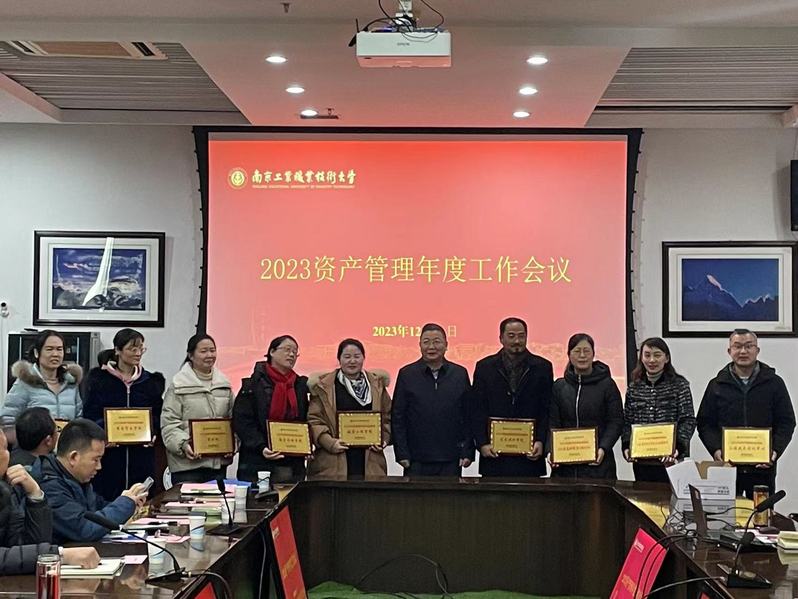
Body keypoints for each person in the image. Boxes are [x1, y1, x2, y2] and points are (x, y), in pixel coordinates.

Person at [697, 329, 796, 497]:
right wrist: (716, 450)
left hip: (762, 469)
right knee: (727, 512)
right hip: (728, 468)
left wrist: (774, 452)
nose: (743, 351)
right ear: (729, 351)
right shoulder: (717, 385)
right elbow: (705, 423)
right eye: (737, 346)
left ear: (757, 350)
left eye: (749, 346)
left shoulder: (774, 383)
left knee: (761, 512)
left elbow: (786, 422)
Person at [0, 429, 100, 574]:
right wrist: (58, 554)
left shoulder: (5, 491)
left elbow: (28, 544)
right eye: (5, 448)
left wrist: (35, 495)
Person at [31, 419, 146, 544]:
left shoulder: (74, 478)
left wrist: (130, 503)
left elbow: (98, 507)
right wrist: (124, 504)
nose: (99, 467)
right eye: (96, 460)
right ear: (74, 457)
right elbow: (84, 529)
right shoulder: (49, 486)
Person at [83, 329, 165, 500]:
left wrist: (152, 431)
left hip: (141, 456)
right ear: (118, 350)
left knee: (142, 499)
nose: (138, 353)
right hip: (109, 456)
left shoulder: (150, 382)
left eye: (141, 349)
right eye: (132, 349)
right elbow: (89, 415)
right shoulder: (99, 380)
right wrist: (104, 433)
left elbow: (158, 414)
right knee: (107, 501)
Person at [470, 318, 552, 477]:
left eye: (521, 336)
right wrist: (482, 443)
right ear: (501, 338)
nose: (517, 341)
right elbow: (477, 409)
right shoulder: (485, 367)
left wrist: (541, 440)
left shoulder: (542, 367)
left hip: (530, 454)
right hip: (493, 454)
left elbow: (546, 409)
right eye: (511, 336)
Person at [391, 324, 473, 476]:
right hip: (416, 458)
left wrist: (468, 451)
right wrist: (401, 453)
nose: (431, 347)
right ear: (419, 345)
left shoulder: (459, 374)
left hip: (451, 456)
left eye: (436, 342)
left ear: (446, 345)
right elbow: (398, 416)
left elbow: (468, 414)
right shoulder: (407, 374)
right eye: (426, 342)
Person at [307, 339, 392, 478]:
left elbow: (387, 417)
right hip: (333, 461)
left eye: (357, 356)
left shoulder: (377, 386)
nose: (352, 361)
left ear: (363, 358)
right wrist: (329, 443)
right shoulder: (323, 387)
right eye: (347, 357)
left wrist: (383, 439)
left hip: (370, 461)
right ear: (339, 359)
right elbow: (314, 420)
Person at [233, 335, 309, 484]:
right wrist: (261, 446)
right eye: (287, 350)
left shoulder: (300, 385)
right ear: (272, 352)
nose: (292, 355)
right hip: (257, 460)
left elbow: (306, 419)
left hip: (291, 463)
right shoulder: (252, 385)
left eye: (295, 352)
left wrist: (306, 445)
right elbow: (243, 421)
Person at [161, 333, 235, 484]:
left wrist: (233, 444)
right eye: (203, 351)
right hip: (186, 466)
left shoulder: (224, 385)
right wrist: (183, 444)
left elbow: (235, 421)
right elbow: (169, 424)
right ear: (191, 355)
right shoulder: (179, 386)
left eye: (212, 350)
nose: (209, 355)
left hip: (217, 465)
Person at [549, 333, 623, 480]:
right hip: (565, 468)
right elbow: (553, 421)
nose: (582, 356)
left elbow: (616, 421)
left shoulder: (607, 385)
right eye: (577, 351)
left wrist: (603, 448)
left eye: (587, 351)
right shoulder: (559, 386)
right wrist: (551, 450)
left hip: (599, 465)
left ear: (593, 354)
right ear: (569, 355)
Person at [622, 337, 696, 483]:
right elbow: (627, 421)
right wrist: (626, 446)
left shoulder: (679, 386)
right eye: (647, 355)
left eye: (657, 355)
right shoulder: (634, 387)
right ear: (641, 358)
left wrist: (677, 447)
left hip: (672, 460)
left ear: (666, 358)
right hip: (642, 461)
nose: (652, 360)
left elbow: (688, 420)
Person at [2, 330, 82, 422]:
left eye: (59, 349)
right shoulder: (24, 383)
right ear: (37, 353)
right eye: (49, 349)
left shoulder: (71, 383)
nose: (55, 354)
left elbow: (79, 419)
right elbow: (7, 418)